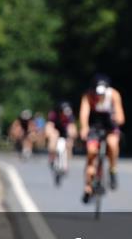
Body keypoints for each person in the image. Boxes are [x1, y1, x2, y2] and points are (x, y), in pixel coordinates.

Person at [79, 74, 125, 203]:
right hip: (94, 126)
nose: (99, 96)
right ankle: (88, 187)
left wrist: (116, 118)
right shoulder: (87, 96)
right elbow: (84, 115)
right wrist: (84, 128)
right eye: (97, 93)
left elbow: (121, 117)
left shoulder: (114, 95)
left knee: (112, 143)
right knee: (91, 152)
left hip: (110, 125)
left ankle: (112, 170)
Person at [46, 101, 77, 169]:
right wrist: (50, 133)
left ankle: (65, 160)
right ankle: (52, 157)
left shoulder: (70, 116)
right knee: (54, 137)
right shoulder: (54, 114)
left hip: (65, 131)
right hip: (56, 129)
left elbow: (72, 127)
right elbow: (49, 125)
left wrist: (72, 136)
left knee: (70, 142)